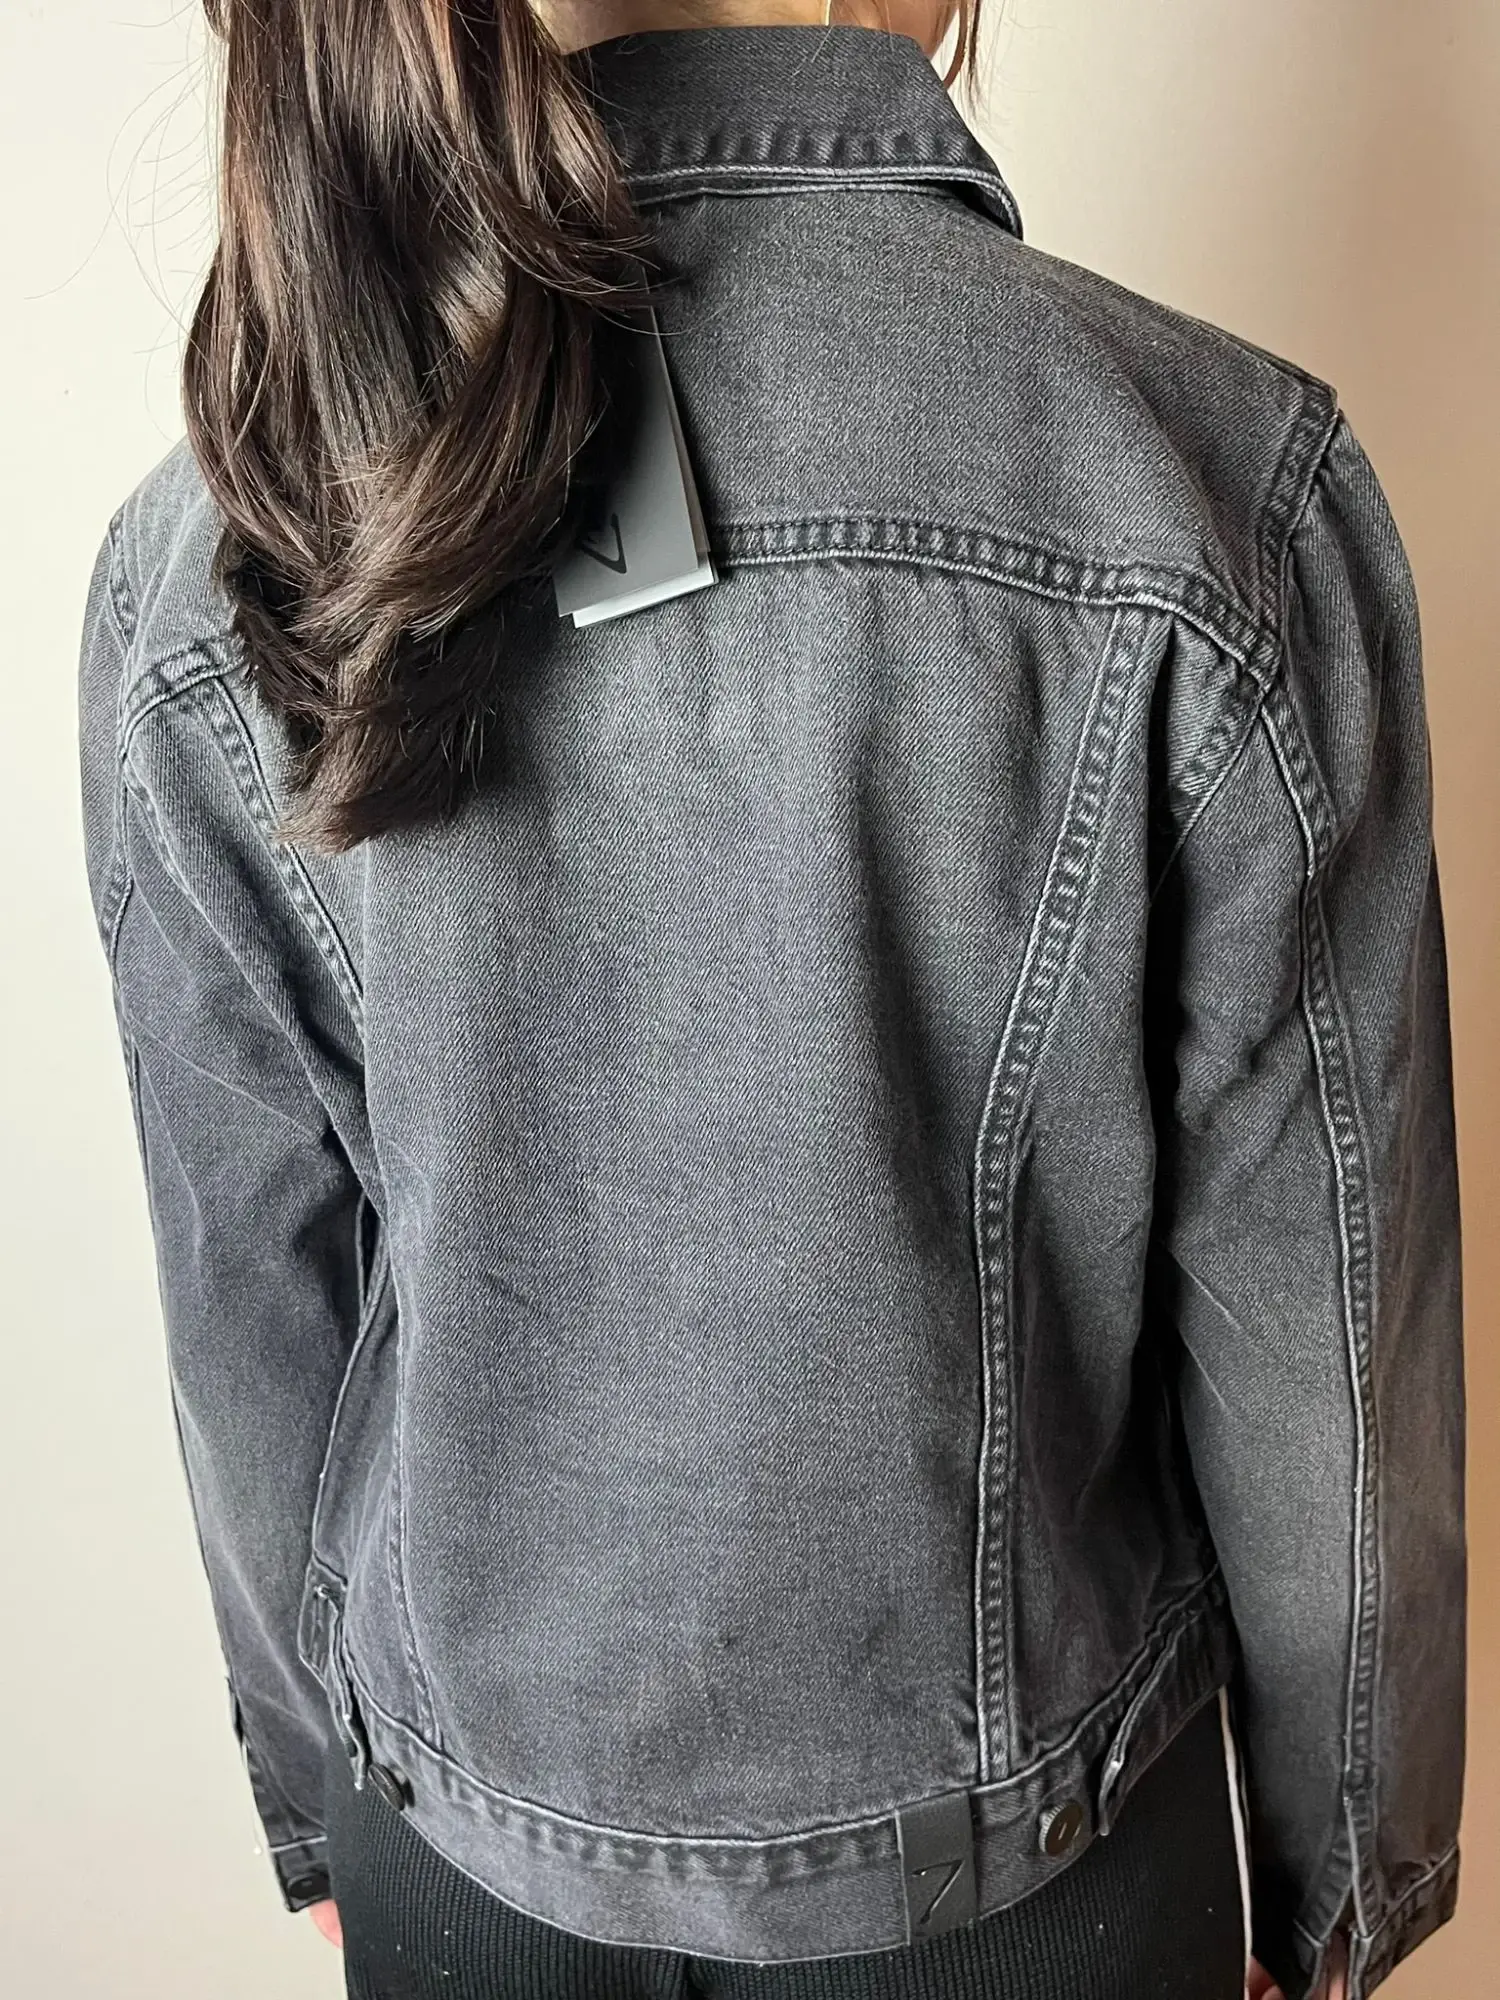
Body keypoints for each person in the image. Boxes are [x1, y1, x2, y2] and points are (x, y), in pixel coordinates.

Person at [76, 2, 1464, 1997]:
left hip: (466, 1882)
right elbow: (1323, 1336)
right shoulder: (1211, 485)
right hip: (1030, 1893)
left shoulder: (219, 546)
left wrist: (320, 1793)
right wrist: (1343, 1868)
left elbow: (254, 1301)